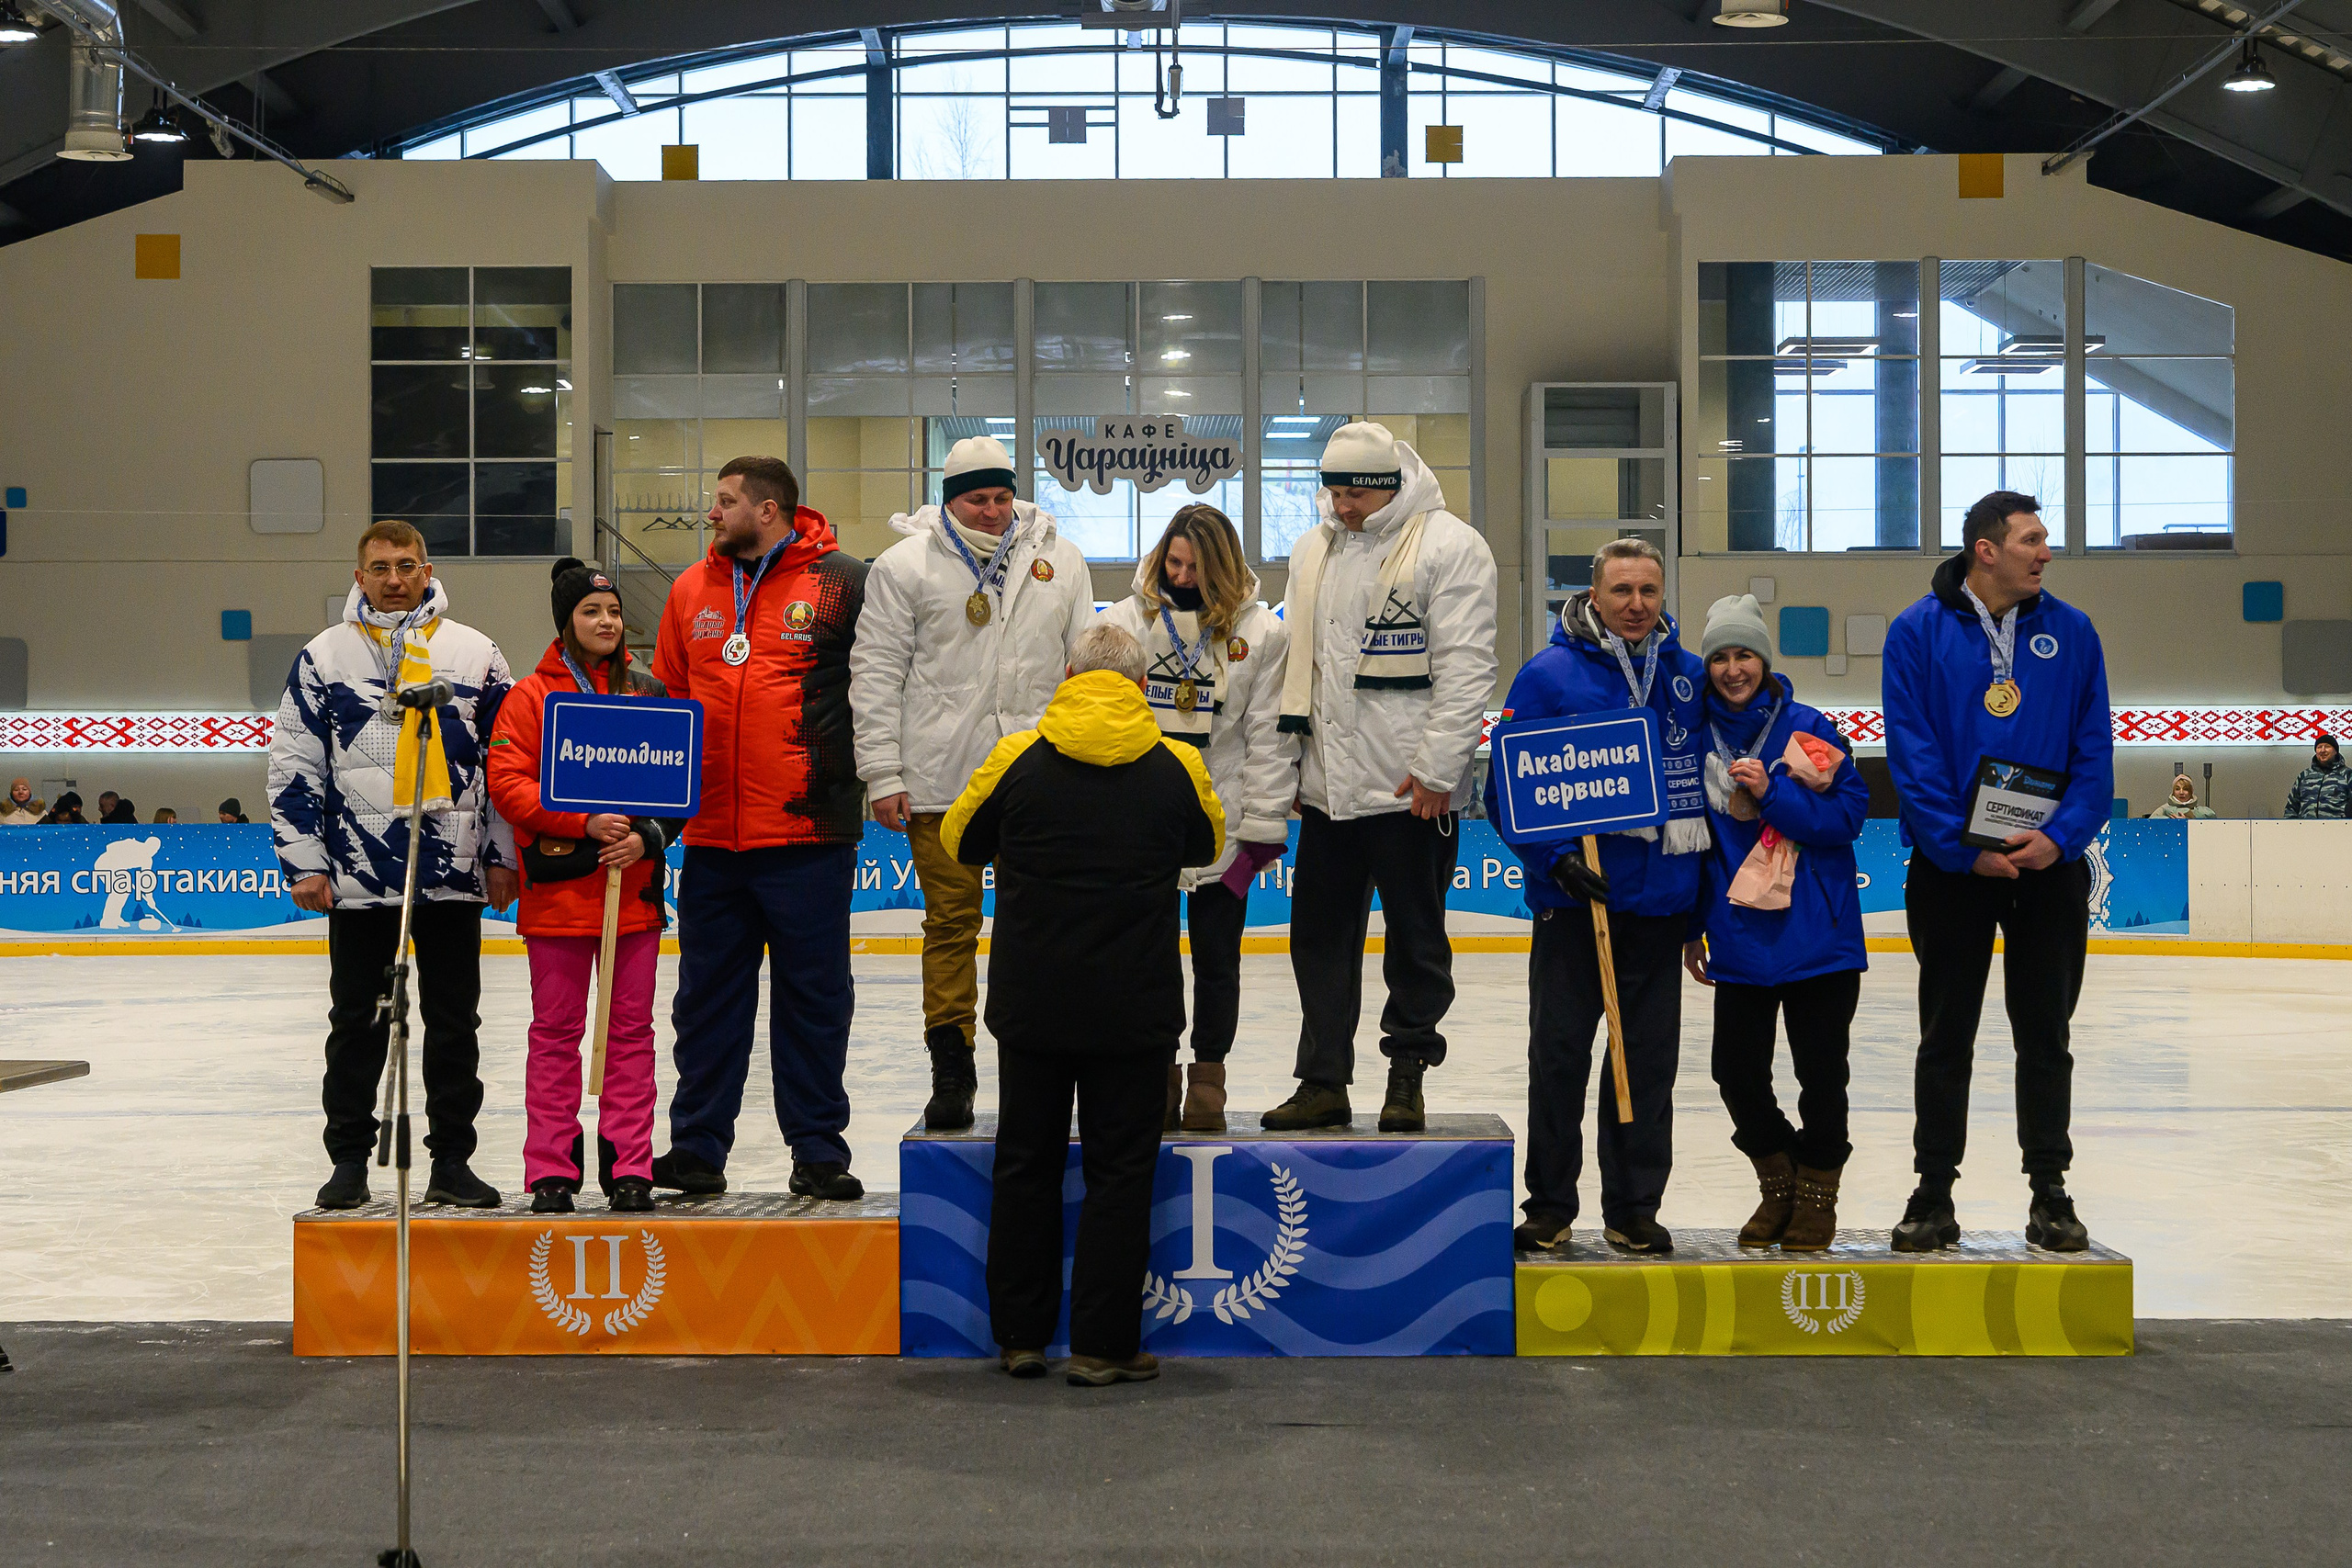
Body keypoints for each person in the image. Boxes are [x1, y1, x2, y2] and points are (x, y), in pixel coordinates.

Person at [944, 624, 1223, 1386]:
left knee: (1025, 1162)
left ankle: (1021, 1336)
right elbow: (1207, 845)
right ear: (1141, 686)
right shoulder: (1177, 764)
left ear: (1067, 674)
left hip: (1033, 1004)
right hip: (1135, 1007)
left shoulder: (1017, 757)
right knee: (1121, 1172)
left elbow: (960, 840)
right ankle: (1103, 1344)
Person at [1882, 491, 2111, 1254]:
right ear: (1986, 550)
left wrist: (2062, 838)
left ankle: (2050, 1190)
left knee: (2045, 1034)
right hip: (1953, 868)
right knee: (1945, 1035)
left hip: (2048, 865)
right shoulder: (1916, 631)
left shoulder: (2073, 631)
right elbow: (1911, 754)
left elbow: (2094, 751)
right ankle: (1932, 1191)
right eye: (2031, 540)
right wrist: (1959, 847)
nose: (2046, 552)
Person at [269, 518, 518, 1212]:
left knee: (454, 1024)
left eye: (406, 565)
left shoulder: (475, 653)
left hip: (452, 873)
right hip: (357, 877)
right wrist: (305, 860)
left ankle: (452, 1162)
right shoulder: (323, 656)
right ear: (360, 576)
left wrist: (501, 855)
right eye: (379, 567)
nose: (394, 578)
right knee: (356, 1022)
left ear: (427, 570)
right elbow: (294, 762)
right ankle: (349, 1161)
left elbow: (508, 761)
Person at [848, 435, 1095, 1131]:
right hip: (940, 778)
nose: (992, 511)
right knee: (951, 925)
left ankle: (1035, 1057)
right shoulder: (903, 566)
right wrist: (883, 772)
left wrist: (1081, 764)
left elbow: (1086, 667)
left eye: (1001, 496)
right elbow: (875, 672)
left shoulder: (1060, 559)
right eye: (977, 499)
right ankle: (951, 1065)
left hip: (1038, 776)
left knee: (1039, 926)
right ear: (950, 501)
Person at [1265, 421, 1498, 1134]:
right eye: (1333, 492)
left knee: (1416, 945)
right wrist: (1293, 771)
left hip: (1410, 794)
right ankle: (1322, 1081)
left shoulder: (1450, 546)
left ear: (1392, 485)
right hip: (1328, 792)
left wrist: (1437, 768)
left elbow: (1467, 667)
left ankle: (1407, 1074)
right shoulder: (1314, 549)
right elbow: (1298, 666)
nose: (1343, 506)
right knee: (1318, 943)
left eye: (1357, 493)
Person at [650, 457, 872, 1201]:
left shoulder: (842, 581)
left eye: (725, 501)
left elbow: (878, 685)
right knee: (705, 1002)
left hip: (809, 832)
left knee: (815, 1000)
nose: (711, 513)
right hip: (714, 837)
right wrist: (662, 815)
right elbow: (669, 704)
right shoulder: (690, 588)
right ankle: (696, 1147)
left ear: (768, 509)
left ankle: (818, 1150)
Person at [1488, 538, 1708, 1256]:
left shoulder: (1686, 674)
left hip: (1660, 905)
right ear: (1593, 595)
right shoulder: (1548, 676)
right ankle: (1550, 1205)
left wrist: (1700, 912)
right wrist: (1555, 859)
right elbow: (1507, 788)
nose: (1636, 604)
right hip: (1574, 907)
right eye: (1622, 590)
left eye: (1649, 590)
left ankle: (1634, 1207)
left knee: (1646, 1065)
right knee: (1559, 1057)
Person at [1094, 503, 1295, 1132]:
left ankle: (1209, 1077)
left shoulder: (1262, 634)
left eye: (1197, 569)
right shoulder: (1124, 623)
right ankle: (1156, 1073)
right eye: (1174, 563)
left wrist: (1263, 829)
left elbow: (1268, 739)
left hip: (1225, 827)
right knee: (1146, 961)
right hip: (1141, 826)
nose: (1182, 577)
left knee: (1216, 960)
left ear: (1224, 569)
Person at [1681, 594, 1870, 1252]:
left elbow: (1845, 819)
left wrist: (1771, 791)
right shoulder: (1693, 735)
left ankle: (1817, 1195)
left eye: (1745, 655)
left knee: (1822, 1077)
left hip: (1818, 934)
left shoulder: (1807, 727)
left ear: (1764, 660)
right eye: (1721, 657)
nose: (1733, 669)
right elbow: (1696, 844)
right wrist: (1693, 925)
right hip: (1739, 935)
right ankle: (1780, 1181)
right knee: (1735, 1074)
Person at [490, 559, 677, 1215]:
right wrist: (583, 821)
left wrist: (647, 837)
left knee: (630, 1034)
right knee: (555, 1033)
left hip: (634, 898)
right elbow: (507, 783)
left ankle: (630, 1166)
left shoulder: (648, 691)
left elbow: (678, 784)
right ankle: (551, 1170)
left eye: (614, 611)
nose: (606, 622)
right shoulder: (530, 697)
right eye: (591, 612)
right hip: (560, 901)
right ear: (566, 621)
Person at [2283, 735, 2349, 818]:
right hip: (2306, 826)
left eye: (2327, 747)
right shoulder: (2304, 776)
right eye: (2319, 747)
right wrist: (2290, 825)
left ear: (2335, 751)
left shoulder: (2347, 774)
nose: (2323, 750)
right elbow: (2291, 807)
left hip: (2338, 826)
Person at [2148, 775, 2216, 819]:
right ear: (2173, 791)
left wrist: (2189, 820)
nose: (2181, 792)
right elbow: (2149, 824)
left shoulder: (2202, 812)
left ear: (2191, 791)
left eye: (2185, 789)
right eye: (2177, 789)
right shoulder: (2163, 809)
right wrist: (2169, 820)